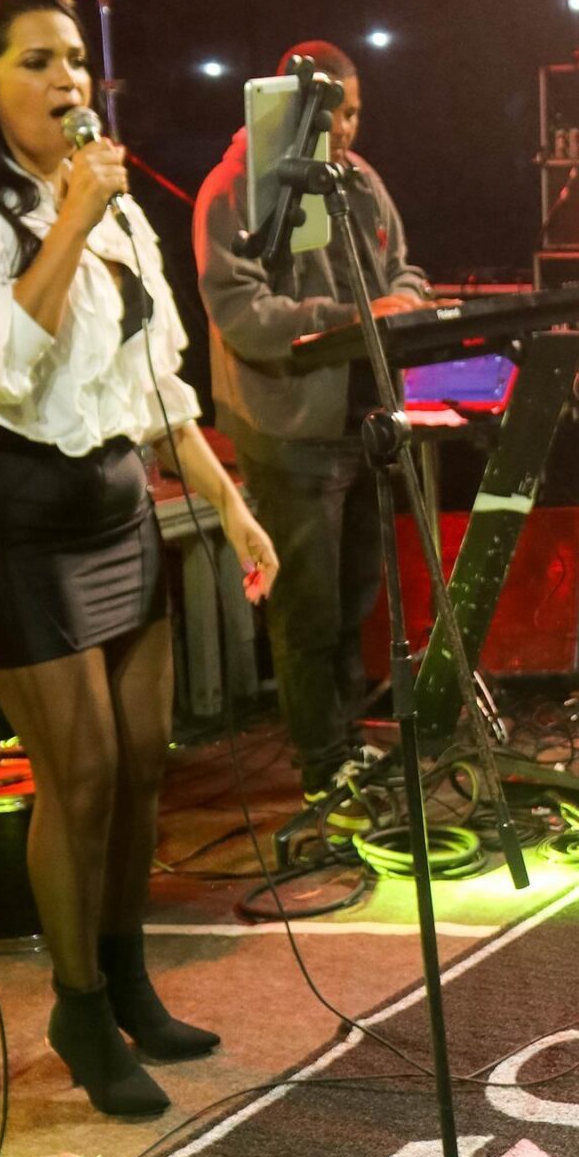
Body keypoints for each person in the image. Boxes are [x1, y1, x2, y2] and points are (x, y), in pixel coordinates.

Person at [0, 0, 278, 1118]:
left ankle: (127, 979)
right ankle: (77, 1007)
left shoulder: (116, 208)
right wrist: (72, 216)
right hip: (12, 510)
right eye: (34, 61)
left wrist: (229, 505)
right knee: (76, 777)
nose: (66, 78)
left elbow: (154, 387)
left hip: (117, 506)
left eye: (73, 57)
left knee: (137, 765)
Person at [194, 42, 429, 813]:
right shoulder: (236, 188)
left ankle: (346, 741)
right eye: (335, 113)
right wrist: (354, 317)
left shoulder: (358, 179)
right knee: (307, 611)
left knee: (354, 598)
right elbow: (242, 313)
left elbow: (405, 269)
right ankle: (321, 763)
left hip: (361, 419)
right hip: (290, 427)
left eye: (356, 112)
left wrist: (403, 302)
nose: (347, 128)